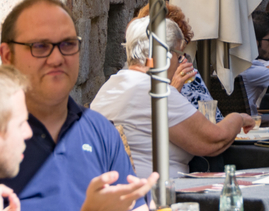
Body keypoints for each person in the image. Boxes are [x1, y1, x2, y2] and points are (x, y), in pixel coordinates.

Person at [0, 0, 157, 211]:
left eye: (68, 44)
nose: (57, 58)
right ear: (7, 55)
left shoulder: (100, 131)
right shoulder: (5, 139)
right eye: (40, 46)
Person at [91, 17, 254, 179]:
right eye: (179, 54)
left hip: (123, 188)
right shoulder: (155, 91)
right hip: (160, 194)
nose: (181, 61)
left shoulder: (111, 85)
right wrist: (238, 118)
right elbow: (214, 140)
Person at [0, 62, 155, 211]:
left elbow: (137, 205)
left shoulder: (100, 129)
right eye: (20, 124)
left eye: (69, 44)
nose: (28, 132)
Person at [132, 2, 222, 121]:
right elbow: (152, 124)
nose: (183, 59)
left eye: (181, 51)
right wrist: (173, 89)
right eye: (177, 52)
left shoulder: (191, 76)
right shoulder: (142, 79)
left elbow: (215, 118)